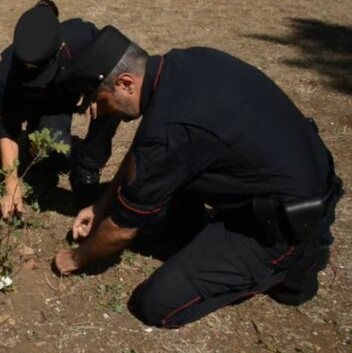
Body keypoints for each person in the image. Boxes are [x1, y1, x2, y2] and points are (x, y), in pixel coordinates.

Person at [53, 26, 343, 328]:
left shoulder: (169, 134)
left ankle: (294, 266)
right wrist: (102, 205)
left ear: (125, 83)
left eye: (97, 101)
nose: (95, 113)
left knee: (155, 305)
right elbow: (146, 148)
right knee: (173, 201)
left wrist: (76, 258)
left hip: (285, 224)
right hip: (299, 174)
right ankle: (199, 234)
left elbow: (122, 230)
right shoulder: (181, 65)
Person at [0, 0, 120, 220]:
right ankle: (42, 135)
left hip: (72, 89)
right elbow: (8, 129)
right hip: (46, 107)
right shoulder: (7, 73)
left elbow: (120, 64)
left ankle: (89, 167)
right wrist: (11, 183)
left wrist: (99, 89)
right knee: (51, 154)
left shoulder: (81, 37)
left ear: (61, 47)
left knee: (115, 101)